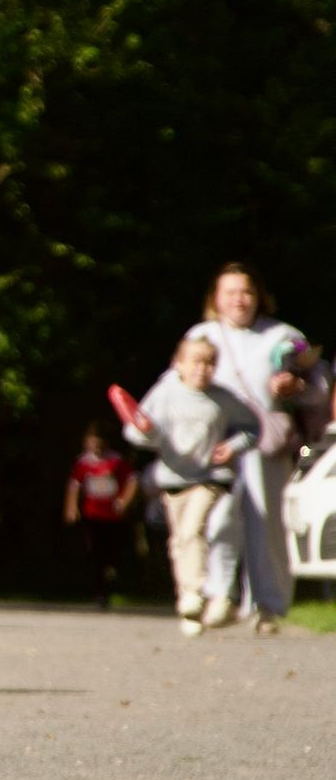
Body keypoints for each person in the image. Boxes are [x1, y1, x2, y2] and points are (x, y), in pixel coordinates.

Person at [178, 264, 326, 634]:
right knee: (218, 518)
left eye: (246, 292)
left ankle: (267, 606)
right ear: (216, 298)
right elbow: (178, 379)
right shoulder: (203, 335)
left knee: (267, 523)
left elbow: (319, 386)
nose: (239, 300)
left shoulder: (283, 337)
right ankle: (219, 596)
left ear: (259, 296)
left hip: (265, 442)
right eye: (230, 292)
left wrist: (294, 386)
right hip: (217, 443)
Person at [123, 337, 256, 635]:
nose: (203, 369)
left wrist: (233, 446)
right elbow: (136, 430)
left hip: (210, 478)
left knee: (191, 531)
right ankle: (189, 603)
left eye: (210, 362)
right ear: (178, 364)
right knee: (179, 542)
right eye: (196, 361)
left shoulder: (223, 398)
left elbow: (252, 428)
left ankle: (195, 592)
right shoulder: (165, 393)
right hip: (173, 479)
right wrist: (147, 433)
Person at [62, 422, 140, 608]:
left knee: (112, 550)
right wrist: (71, 507)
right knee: (94, 551)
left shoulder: (116, 461)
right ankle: (99, 592)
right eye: (91, 442)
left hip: (112, 515)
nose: (94, 446)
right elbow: (74, 486)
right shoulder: (83, 462)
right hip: (92, 513)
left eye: (97, 442)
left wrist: (124, 501)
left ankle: (112, 575)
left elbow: (132, 481)